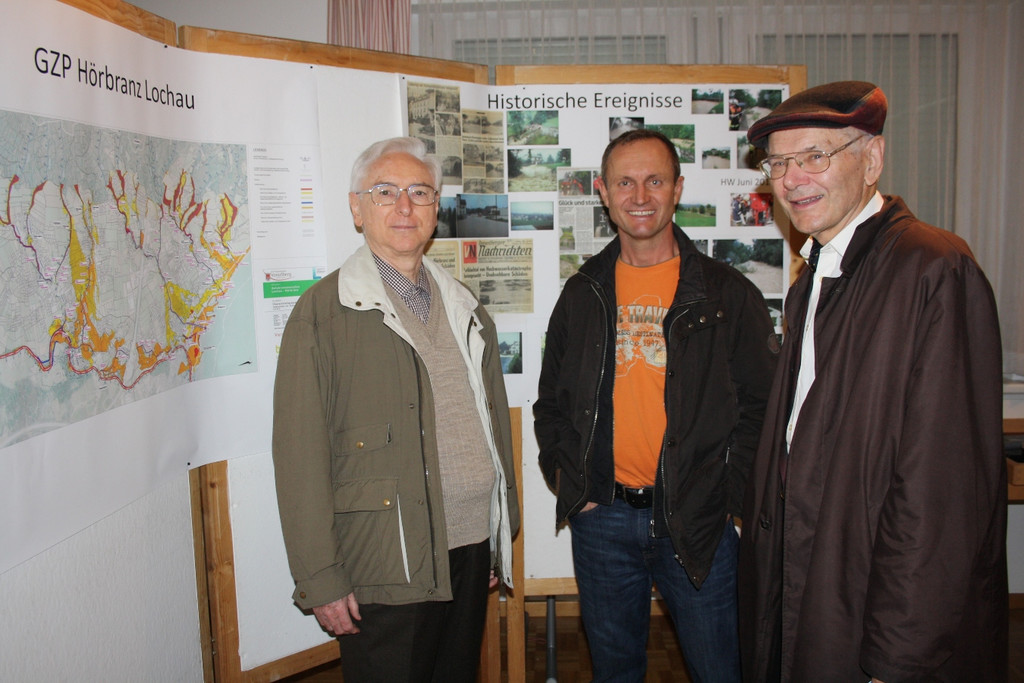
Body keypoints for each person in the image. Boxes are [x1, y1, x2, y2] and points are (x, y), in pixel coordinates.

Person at [737, 81, 1008, 683]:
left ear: (872, 159)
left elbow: (940, 496)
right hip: (818, 581)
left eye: (815, 156)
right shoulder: (818, 274)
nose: (792, 179)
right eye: (778, 163)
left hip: (878, 614)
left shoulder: (934, 271)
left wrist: (897, 656)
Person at [271, 136, 519, 683]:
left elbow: (491, 428)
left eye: (420, 192)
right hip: (386, 561)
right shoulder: (322, 314)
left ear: (437, 208)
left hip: (470, 549)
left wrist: (497, 534)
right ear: (357, 208)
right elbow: (298, 458)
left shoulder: (465, 306)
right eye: (385, 192)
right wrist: (320, 575)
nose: (405, 206)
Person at [534, 129, 778, 683]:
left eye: (654, 181)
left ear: (677, 189)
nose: (639, 196)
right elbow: (551, 404)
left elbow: (762, 408)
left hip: (695, 520)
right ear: (603, 192)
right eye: (624, 182)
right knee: (614, 672)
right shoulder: (583, 293)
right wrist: (571, 483)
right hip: (602, 519)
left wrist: (727, 497)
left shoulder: (726, 294)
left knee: (721, 670)